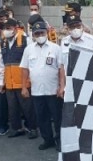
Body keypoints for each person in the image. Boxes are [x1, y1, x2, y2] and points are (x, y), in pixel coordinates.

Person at [21, 21, 64, 150]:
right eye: (37, 33)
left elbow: (61, 69)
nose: (40, 35)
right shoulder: (28, 49)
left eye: (42, 33)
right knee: (42, 117)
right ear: (33, 35)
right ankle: (48, 139)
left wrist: (62, 86)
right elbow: (24, 69)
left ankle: (60, 140)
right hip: (37, 91)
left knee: (57, 118)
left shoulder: (55, 48)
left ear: (47, 33)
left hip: (53, 90)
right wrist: (23, 87)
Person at [0, 19, 38, 139]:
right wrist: (1, 82)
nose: (7, 30)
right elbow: (1, 63)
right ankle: (16, 128)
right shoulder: (3, 43)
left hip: (23, 80)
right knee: (12, 107)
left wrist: (30, 79)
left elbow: (32, 60)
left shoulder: (26, 40)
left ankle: (33, 128)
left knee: (28, 107)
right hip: (9, 81)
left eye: (9, 28)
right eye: (5, 28)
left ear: (15, 28)